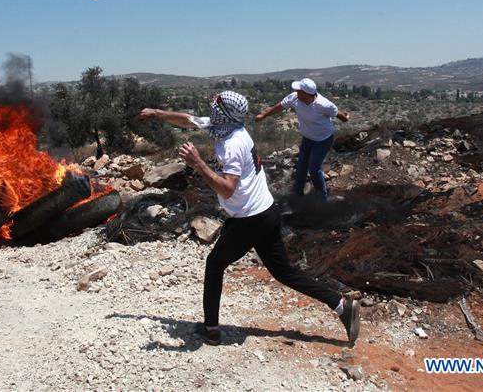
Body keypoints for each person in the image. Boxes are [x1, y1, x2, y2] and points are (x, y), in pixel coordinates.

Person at [138, 91, 360, 347]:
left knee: (214, 264)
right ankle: (341, 305)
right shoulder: (227, 126)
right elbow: (189, 120)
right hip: (265, 212)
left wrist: (198, 163)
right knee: (284, 273)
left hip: (250, 219)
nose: (212, 106)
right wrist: (157, 114)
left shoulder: (232, 144)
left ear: (224, 113)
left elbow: (227, 189)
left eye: (216, 104)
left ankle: (211, 329)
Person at [256, 78, 350, 200]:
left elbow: (339, 115)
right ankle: (297, 193)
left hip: (323, 139)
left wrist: (346, 117)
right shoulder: (295, 98)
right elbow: (280, 107)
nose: (296, 91)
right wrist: (264, 115)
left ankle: (322, 197)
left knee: (314, 168)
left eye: (299, 90)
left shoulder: (323, 104)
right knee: (301, 166)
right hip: (307, 138)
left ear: (306, 93)